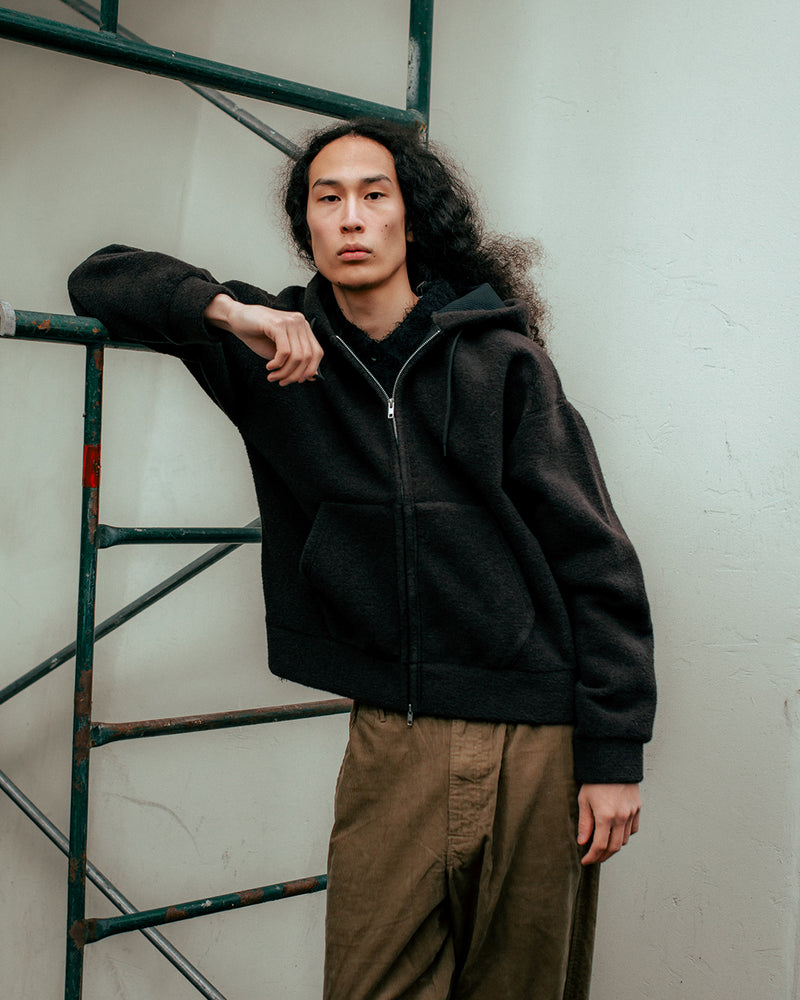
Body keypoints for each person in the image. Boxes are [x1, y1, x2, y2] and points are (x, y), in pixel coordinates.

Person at [68, 117, 656, 1000]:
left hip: (536, 736)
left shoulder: (501, 362)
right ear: (305, 225)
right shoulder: (270, 351)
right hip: (395, 734)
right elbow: (100, 275)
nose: (351, 216)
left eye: (374, 195)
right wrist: (231, 311)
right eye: (327, 197)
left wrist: (613, 754)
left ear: (410, 221)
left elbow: (596, 559)